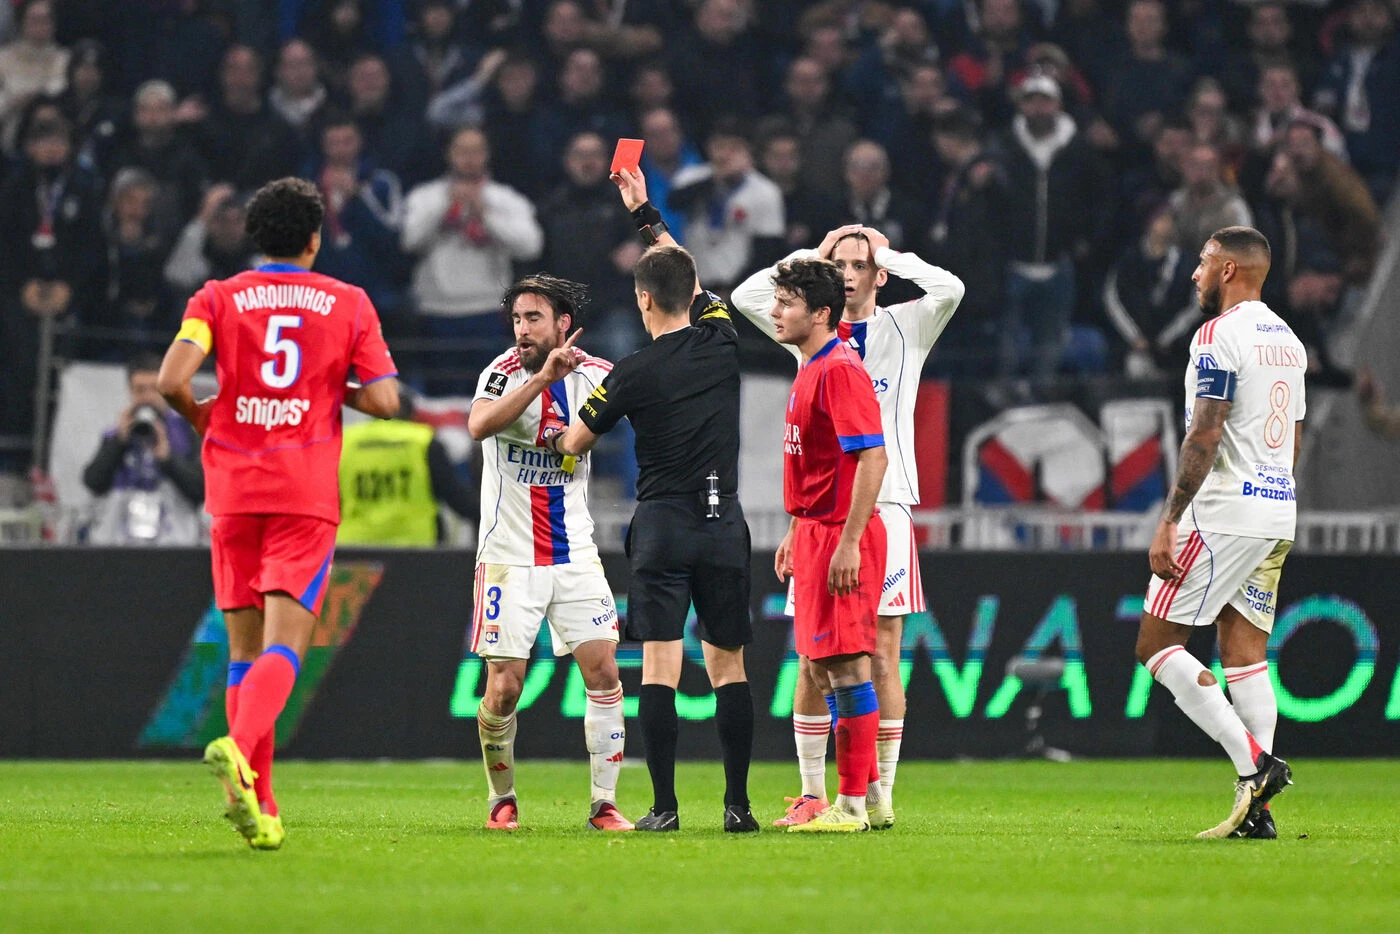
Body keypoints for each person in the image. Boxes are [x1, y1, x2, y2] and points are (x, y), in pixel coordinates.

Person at [157, 177, 400, 851]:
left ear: (253, 237)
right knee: (286, 646)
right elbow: (385, 402)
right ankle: (238, 749)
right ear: (315, 239)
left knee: (243, 650)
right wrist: (329, 386)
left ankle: (261, 805)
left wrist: (208, 416)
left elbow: (170, 380)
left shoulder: (218, 297)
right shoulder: (348, 303)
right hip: (302, 489)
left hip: (232, 486)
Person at [546, 166, 758, 834]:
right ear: (692, 296)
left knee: (661, 665)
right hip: (724, 524)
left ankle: (664, 808)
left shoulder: (631, 372)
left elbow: (573, 444)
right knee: (729, 667)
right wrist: (645, 213)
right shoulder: (723, 338)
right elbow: (684, 272)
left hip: (662, 528)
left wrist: (552, 417)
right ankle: (737, 807)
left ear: (642, 301)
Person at [732, 224, 964, 827]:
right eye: (845, 265)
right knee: (812, 655)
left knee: (877, 655)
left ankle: (872, 791)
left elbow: (951, 286)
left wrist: (887, 250)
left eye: (864, 265)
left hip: (878, 508)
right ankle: (816, 791)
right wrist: (815, 256)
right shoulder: (810, 340)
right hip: (818, 515)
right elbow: (752, 297)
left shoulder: (903, 327)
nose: (855, 272)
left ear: (881, 274)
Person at [1133, 226, 1301, 840]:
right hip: (1277, 509)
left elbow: (1204, 433)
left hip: (1223, 510)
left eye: (1203, 264)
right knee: (1247, 657)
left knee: (1155, 644)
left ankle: (1254, 766)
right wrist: (1273, 492)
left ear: (1228, 270)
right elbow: (1296, 435)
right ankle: (1257, 814)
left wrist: (1171, 518)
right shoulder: (1290, 341)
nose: (1194, 275)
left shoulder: (1217, 336)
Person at [462, 275, 632, 832]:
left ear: (563, 322)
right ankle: (500, 798)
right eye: (516, 318)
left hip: (575, 552)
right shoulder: (503, 373)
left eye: (533, 318)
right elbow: (479, 425)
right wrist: (541, 381)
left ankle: (604, 804)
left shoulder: (597, 375)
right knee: (505, 685)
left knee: (604, 671)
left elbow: (644, 399)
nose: (522, 329)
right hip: (509, 556)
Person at [769, 257, 889, 832]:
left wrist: (848, 542)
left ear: (820, 312)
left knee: (846, 670)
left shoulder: (839, 369)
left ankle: (853, 806)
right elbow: (819, 462)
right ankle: (851, 796)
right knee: (820, 668)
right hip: (816, 531)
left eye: (787, 303)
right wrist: (796, 528)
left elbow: (873, 455)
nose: (774, 312)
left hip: (842, 534)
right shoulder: (809, 365)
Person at [402, 126, 543, 383]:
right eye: (462, 150)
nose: (469, 158)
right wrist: (445, 209)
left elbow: (531, 245)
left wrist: (485, 216)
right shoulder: (426, 196)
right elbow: (409, 241)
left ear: (487, 154)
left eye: (476, 151)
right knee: (441, 401)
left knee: (488, 397)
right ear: (449, 154)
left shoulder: (504, 198)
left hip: (488, 310)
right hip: (436, 311)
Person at [81, 352, 203, 545]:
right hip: (118, 543)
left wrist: (167, 459)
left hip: (174, 543)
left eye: (154, 389)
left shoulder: (187, 431)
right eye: (140, 390)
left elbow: (202, 491)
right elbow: (93, 482)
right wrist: (118, 443)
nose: (148, 397)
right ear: (130, 391)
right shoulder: (115, 433)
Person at [336, 389, 476, 546]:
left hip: (354, 548)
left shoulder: (346, 441)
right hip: (414, 549)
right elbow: (456, 498)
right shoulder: (424, 441)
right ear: (412, 415)